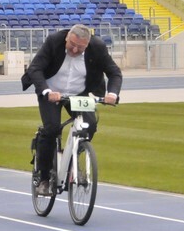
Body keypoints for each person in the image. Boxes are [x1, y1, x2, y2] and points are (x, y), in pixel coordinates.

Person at [21, 24, 122, 196]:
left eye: (80, 47)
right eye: (72, 45)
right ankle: (44, 178)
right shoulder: (54, 41)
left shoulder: (97, 47)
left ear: (88, 44)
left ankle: (73, 158)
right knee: (52, 129)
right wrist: (46, 91)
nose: (75, 50)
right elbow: (35, 68)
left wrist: (112, 94)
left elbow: (114, 73)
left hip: (78, 94)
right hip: (52, 92)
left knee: (89, 125)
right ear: (67, 37)